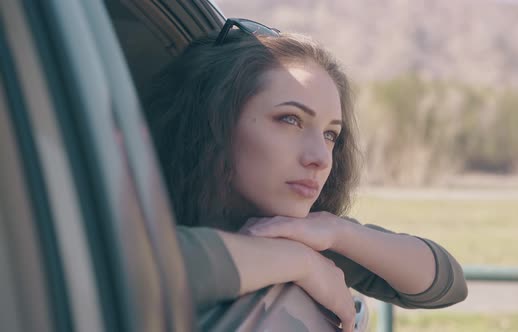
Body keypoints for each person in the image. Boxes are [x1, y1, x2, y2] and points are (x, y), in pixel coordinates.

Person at [144, 18, 467, 332]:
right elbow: (138, 266)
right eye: (289, 120)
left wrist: (337, 231)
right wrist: (298, 262)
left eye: (330, 135)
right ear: (211, 123)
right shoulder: (131, 213)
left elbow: (446, 284)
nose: (320, 159)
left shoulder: (288, 228)